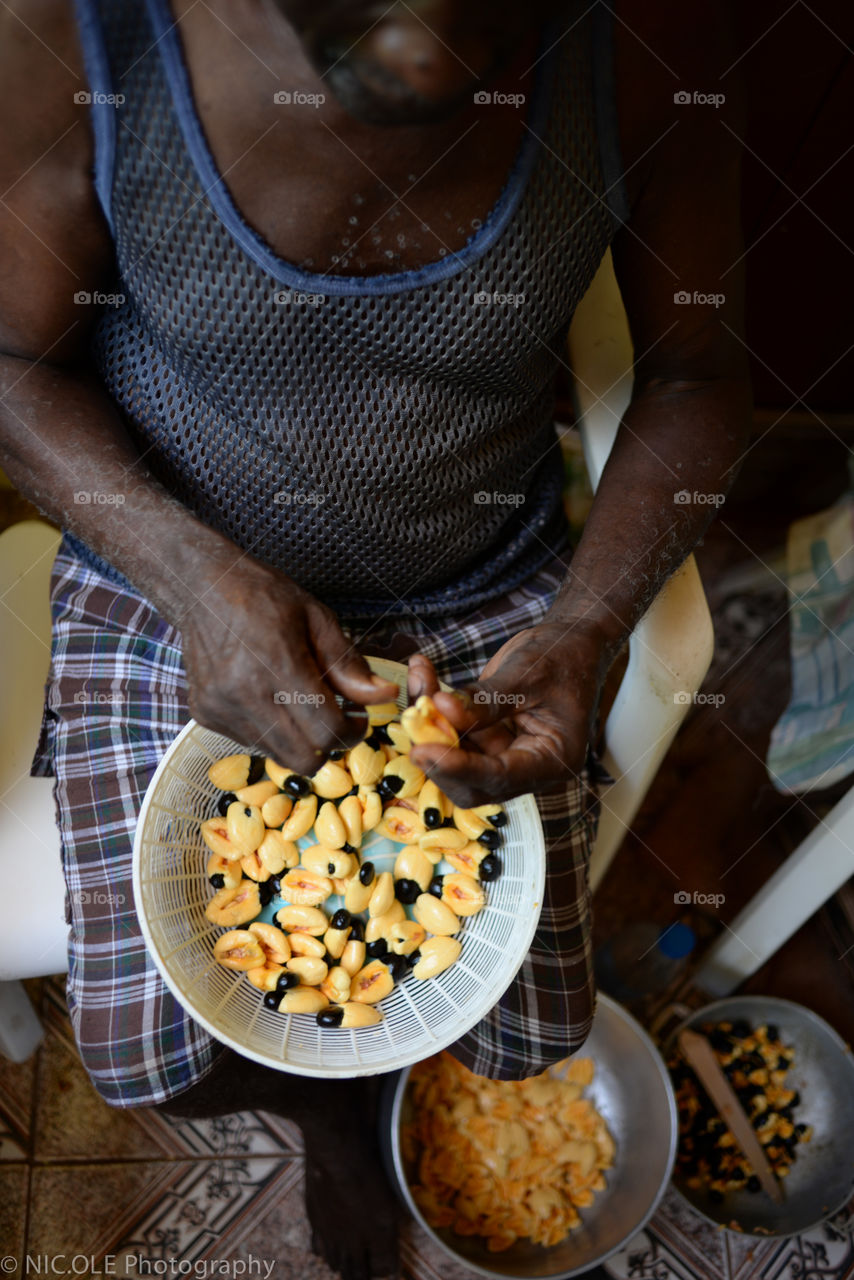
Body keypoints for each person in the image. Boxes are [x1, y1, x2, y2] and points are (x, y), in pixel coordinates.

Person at [0, 0, 751, 1275]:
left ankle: (368, 1097)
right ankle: (325, 1116)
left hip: (482, 573)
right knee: (144, 1055)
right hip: (167, 562)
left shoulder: (655, 39)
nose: (422, 54)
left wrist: (589, 621)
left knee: (531, 1027)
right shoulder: (69, 35)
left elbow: (695, 375)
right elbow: (13, 361)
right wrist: (195, 577)